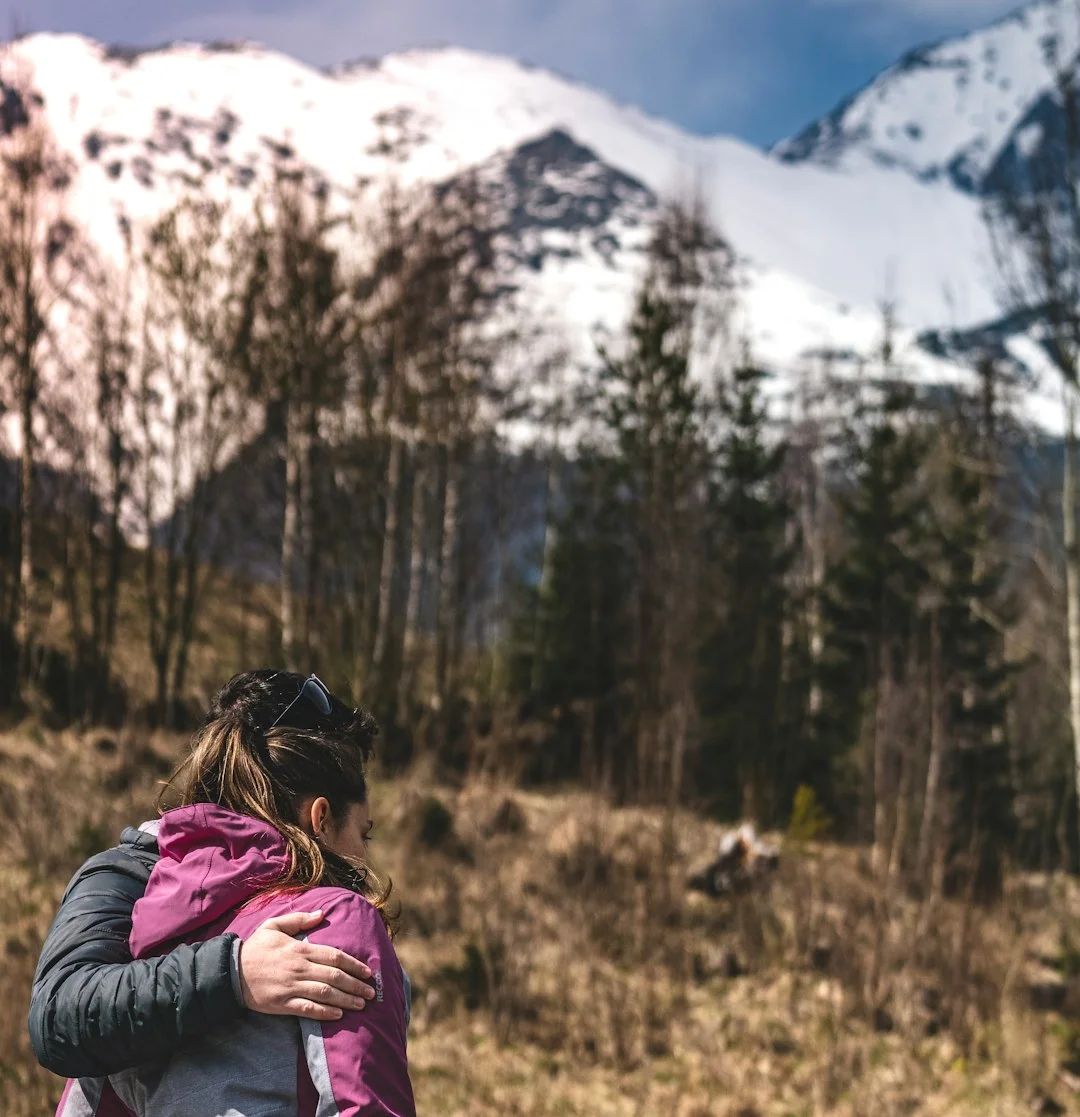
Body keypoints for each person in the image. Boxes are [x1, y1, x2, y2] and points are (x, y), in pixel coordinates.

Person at [48, 670, 415, 1117]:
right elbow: (59, 1015)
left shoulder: (150, 914)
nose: (364, 857)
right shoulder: (333, 922)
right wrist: (236, 971)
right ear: (320, 818)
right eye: (365, 833)